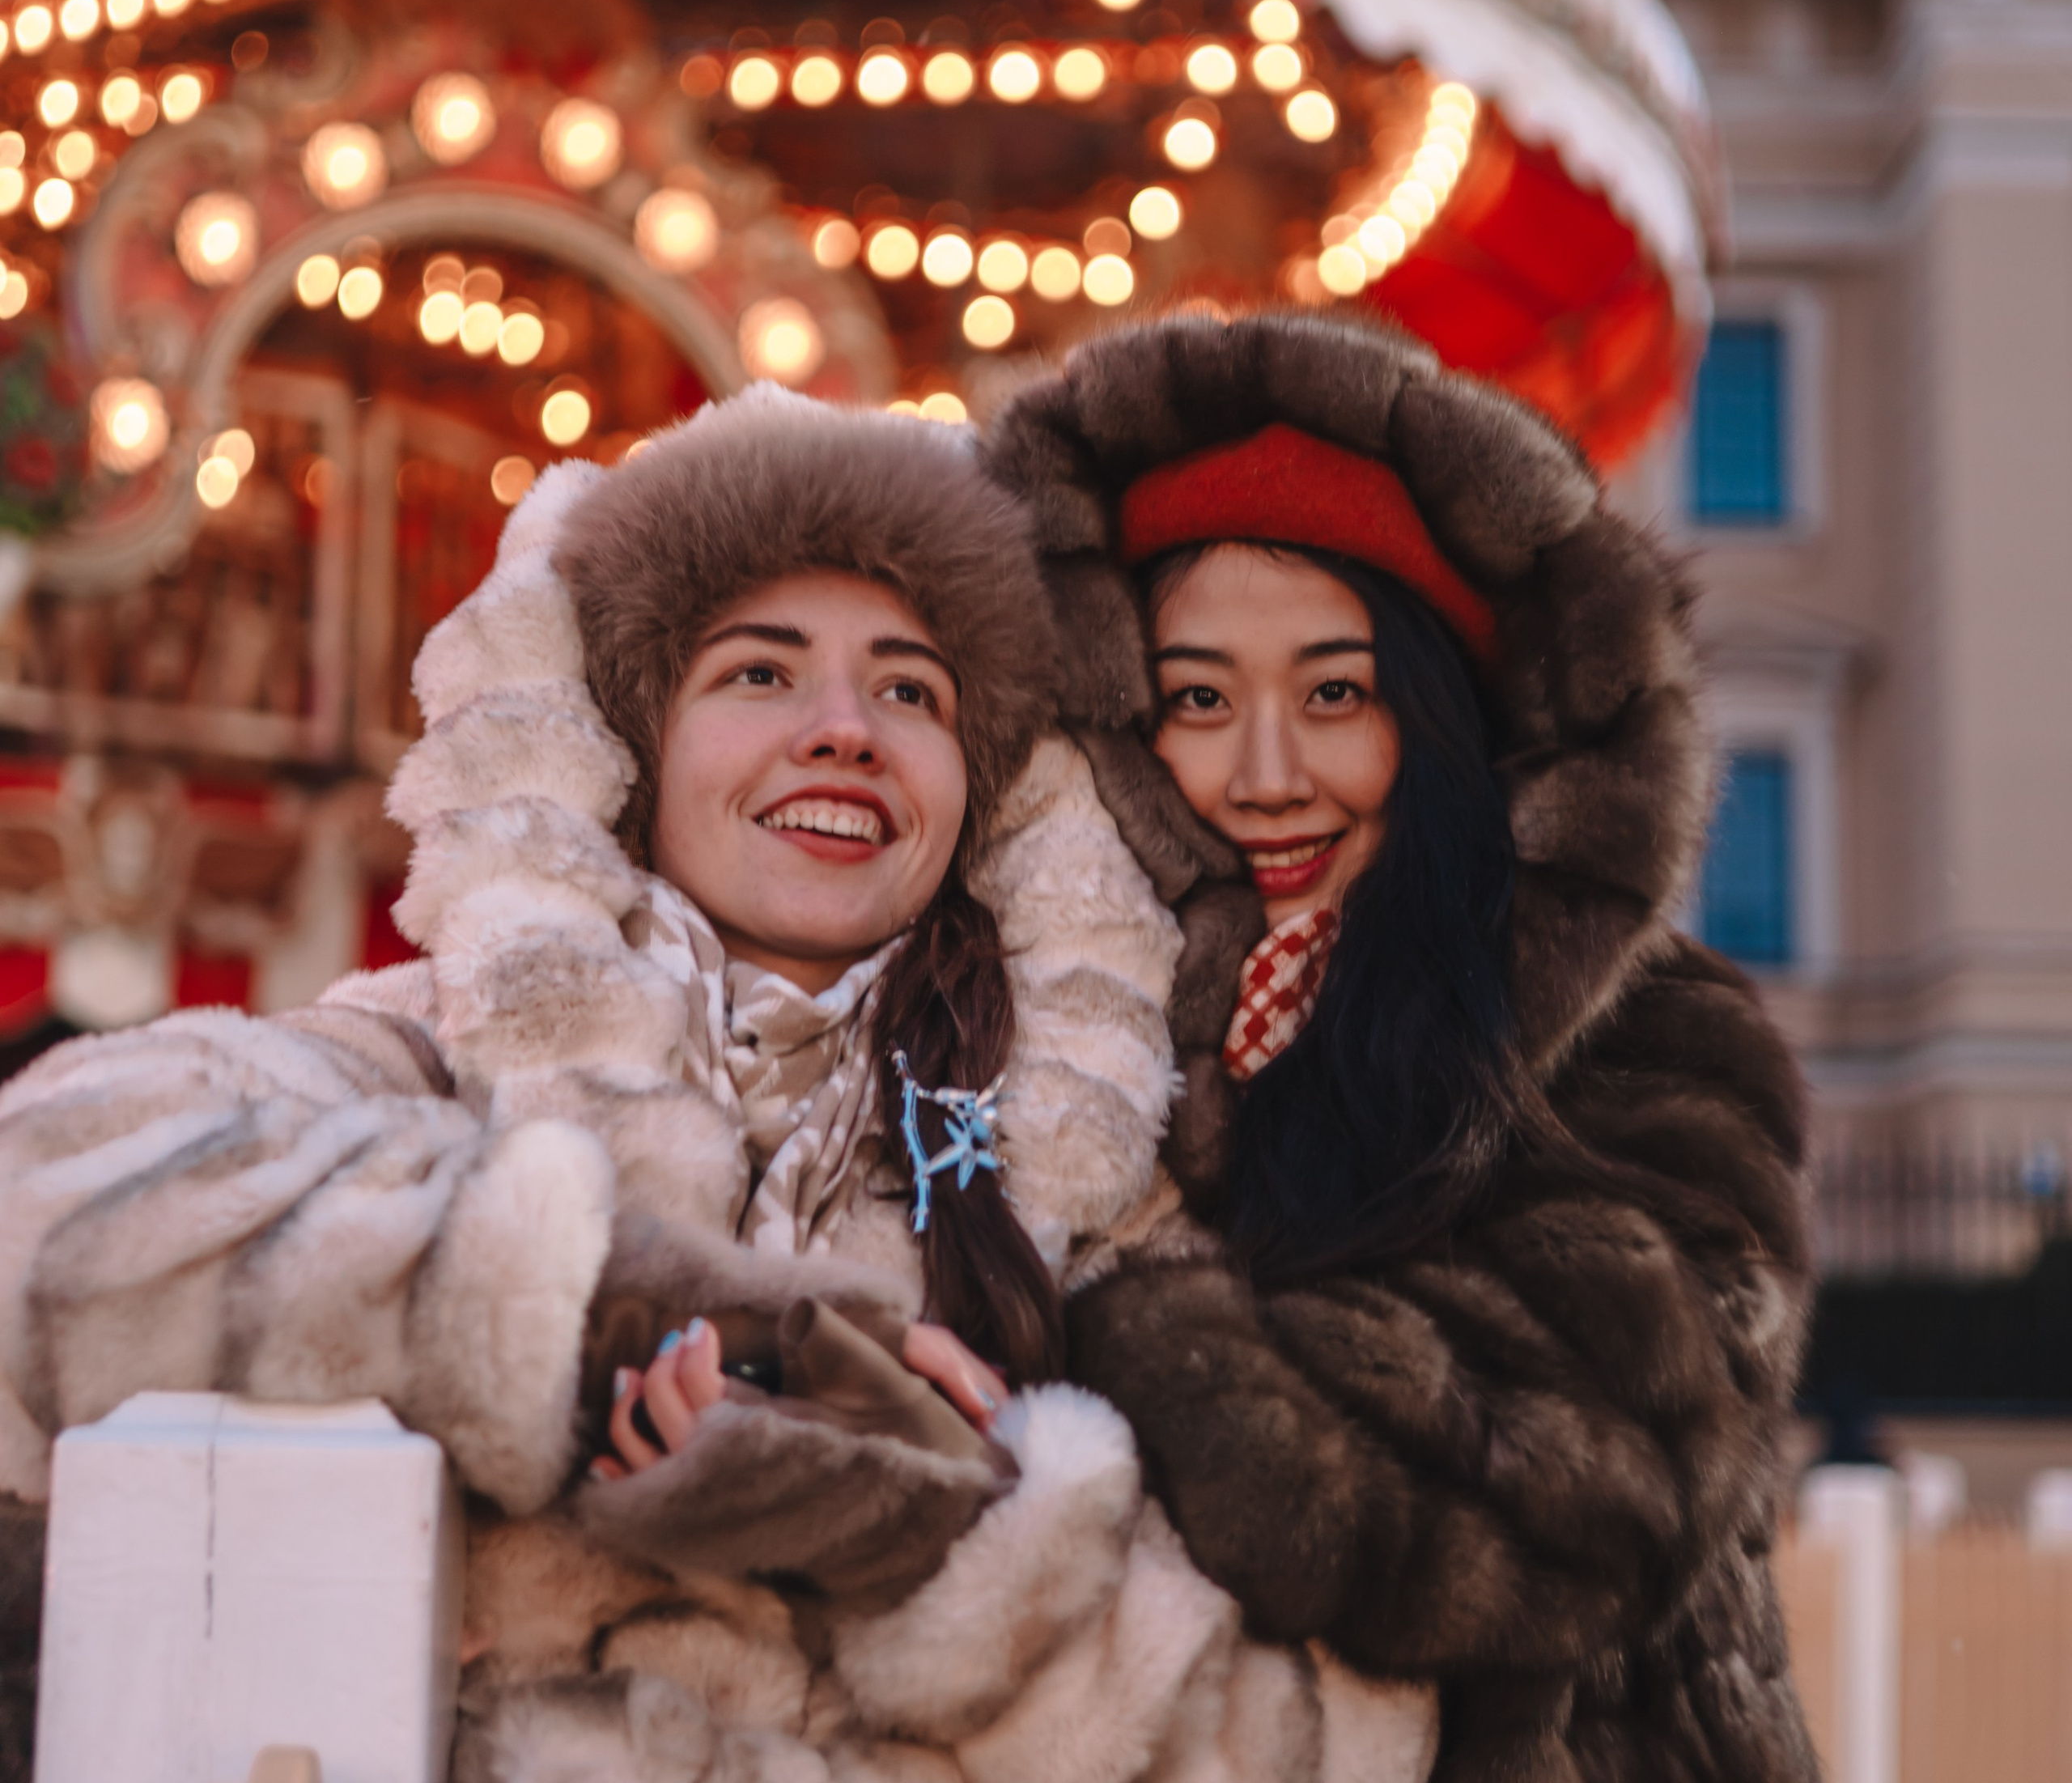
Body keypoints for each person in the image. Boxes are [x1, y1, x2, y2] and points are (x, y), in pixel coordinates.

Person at [0, 389, 1318, 1783]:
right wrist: (628, 1317)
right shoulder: (442, 1055)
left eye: (910, 692)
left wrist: (921, 1515)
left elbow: (1280, 1727)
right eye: (760, 674)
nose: (845, 730)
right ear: (636, 747)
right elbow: (47, 1192)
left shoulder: (1091, 1187)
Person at [985, 312, 1819, 1783]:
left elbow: (1555, 1500)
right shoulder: (1081, 1016)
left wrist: (1078, 1356)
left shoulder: (1649, 1045)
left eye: (1336, 693)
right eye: (1197, 698)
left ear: (1434, 726)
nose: (1265, 776)